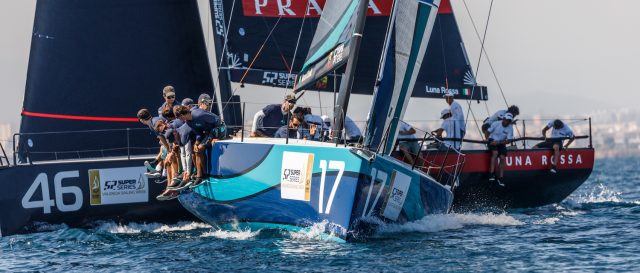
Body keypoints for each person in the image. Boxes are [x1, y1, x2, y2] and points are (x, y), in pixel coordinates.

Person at [174, 105, 224, 188]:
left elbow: (217, 120)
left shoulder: (199, 114)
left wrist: (217, 136)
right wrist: (196, 143)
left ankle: (202, 176)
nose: (179, 119)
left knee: (200, 148)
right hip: (208, 133)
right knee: (196, 149)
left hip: (218, 129)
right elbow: (198, 133)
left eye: (179, 117)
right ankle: (199, 175)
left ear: (183, 114)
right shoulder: (188, 122)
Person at [487, 113, 514, 186]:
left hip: (501, 142)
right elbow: (488, 132)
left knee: (502, 157)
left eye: (509, 121)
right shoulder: (495, 124)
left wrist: (498, 142)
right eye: (506, 120)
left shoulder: (510, 127)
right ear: (503, 119)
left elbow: (509, 140)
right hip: (492, 140)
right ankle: (491, 173)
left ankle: (501, 177)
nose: (507, 122)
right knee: (495, 153)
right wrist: (487, 140)